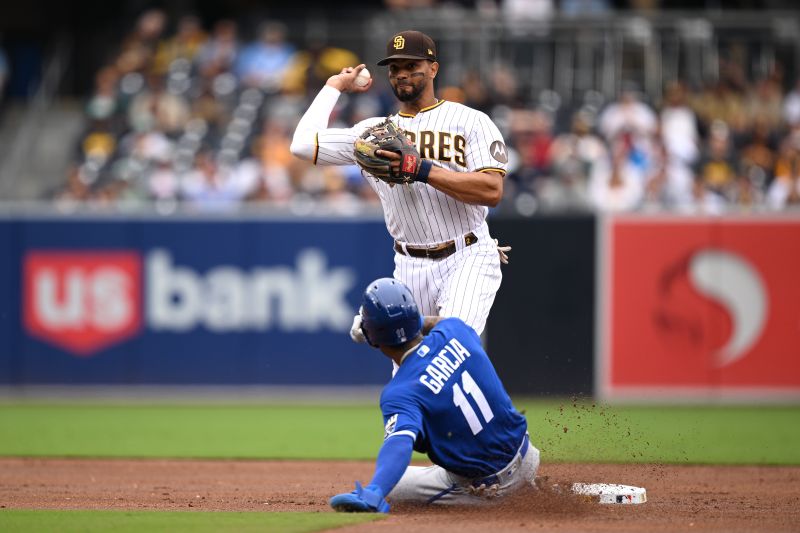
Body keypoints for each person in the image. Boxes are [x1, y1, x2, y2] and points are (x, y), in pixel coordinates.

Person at [290, 30, 510, 343]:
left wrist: (422, 169)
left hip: (467, 253)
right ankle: (396, 323)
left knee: (452, 343)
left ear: (433, 68)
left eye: (411, 66)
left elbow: (492, 191)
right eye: (394, 69)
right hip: (408, 264)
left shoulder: (470, 121)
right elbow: (301, 145)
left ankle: (389, 322)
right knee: (411, 375)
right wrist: (334, 85)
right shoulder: (372, 134)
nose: (401, 74)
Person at [329, 278, 539, 513]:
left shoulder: (400, 392)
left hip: (490, 487)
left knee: (395, 487)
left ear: (373, 338)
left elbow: (400, 444)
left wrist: (377, 489)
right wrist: (404, 321)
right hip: (527, 454)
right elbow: (434, 322)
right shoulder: (456, 330)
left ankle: (506, 496)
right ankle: (528, 485)